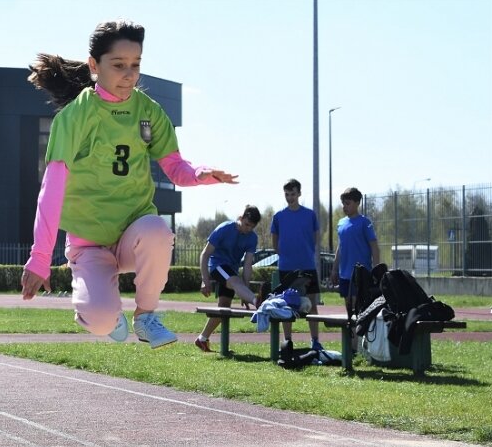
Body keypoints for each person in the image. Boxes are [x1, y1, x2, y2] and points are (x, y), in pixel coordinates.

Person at [20, 20, 239, 348]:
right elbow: (51, 189)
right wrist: (40, 257)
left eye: (135, 65)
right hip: (90, 244)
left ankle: (146, 315)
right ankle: (104, 313)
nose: (129, 74)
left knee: (158, 231)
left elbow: (175, 166)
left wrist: (201, 173)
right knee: (101, 320)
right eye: (119, 65)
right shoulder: (75, 117)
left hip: (132, 237)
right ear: (95, 66)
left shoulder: (147, 113)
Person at [195, 206, 262, 352]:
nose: (248, 229)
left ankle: (202, 339)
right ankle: (259, 302)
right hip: (217, 265)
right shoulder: (224, 228)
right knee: (235, 281)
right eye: (246, 224)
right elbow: (205, 254)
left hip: (231, 270)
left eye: (252, 227)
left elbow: (248, 265)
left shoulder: (252, 238)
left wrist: (245, 291)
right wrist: (205, 280)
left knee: (224, 307)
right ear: (241, 218)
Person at [270, 178, 322, 350]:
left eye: (293, 194)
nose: (290, 197)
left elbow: (315, 238)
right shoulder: (278, 216)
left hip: (307, 266)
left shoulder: (310, 215)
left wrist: (304, 252)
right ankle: (287, 341)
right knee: (286, 305)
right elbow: (275, 243)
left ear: (299, 193)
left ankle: (315, 341)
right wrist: (286, 254)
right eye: (287, 194)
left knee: (312, 304)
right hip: (286, 268)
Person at [330, 187, 380, 351]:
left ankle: (361, 344)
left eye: (348, 203)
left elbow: (374, 247)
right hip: (345, 275)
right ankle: (352, 346)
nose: (345, 206)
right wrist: (335, 269)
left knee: (360, 308)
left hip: (361, 274)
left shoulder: (365, 223)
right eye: (343, 203)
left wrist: (376, 271)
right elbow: (340, 247)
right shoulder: (341, 223)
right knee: (349, 309)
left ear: (357, 203)